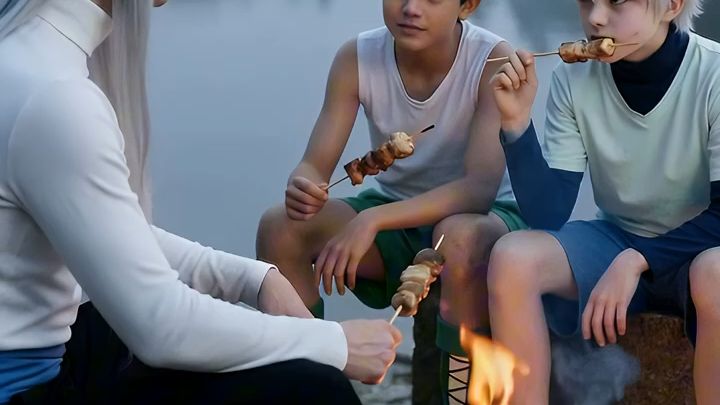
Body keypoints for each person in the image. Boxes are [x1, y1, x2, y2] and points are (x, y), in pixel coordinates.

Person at [0, 0, 402, 403]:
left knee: (111, 324)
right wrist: (336, 344)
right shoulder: (56, 100)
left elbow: (109, 235)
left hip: (53, 355)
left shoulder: (26, 59)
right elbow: (160, 327)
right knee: (313, 389)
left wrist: (254, 280)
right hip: (24, 388)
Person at [255, 0, 526, 402]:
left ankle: (461, 397)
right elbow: (315, 164)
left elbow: (478, 189)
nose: (411, 8)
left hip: (485, 220)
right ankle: (306, 387)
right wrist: (304, 184)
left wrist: (372, 221)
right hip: (397, 211)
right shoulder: (357, 58)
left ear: (467, 5)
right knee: (280, 228)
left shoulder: (492, 60)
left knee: (458, 236)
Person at [486, 0, 718, 403]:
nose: (595, 18)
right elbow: (548, 214)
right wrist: (516, 124)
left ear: (672, 6)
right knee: (512, 258)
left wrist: (637, 259)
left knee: (715, 273)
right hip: (617, 237)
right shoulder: (572, 78)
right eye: (587, 1)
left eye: (616, 2)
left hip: (700, 249)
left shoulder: (713, 73)